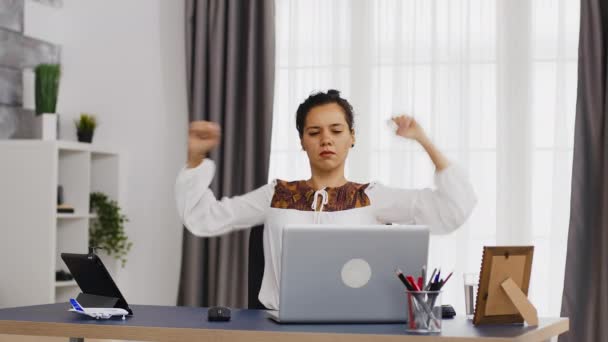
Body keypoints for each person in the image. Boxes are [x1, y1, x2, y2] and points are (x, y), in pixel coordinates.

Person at [175, 89, 477, 310]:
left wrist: (423, 140)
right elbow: (204, 218)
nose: (326, 139)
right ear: (302, 142)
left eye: (336, 130)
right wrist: (195, 158)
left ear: (352, 137)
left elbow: (451, 210)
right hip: (279, 329)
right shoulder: (277, 195)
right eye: (314, 132)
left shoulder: (371, 197)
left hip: (353, 328)